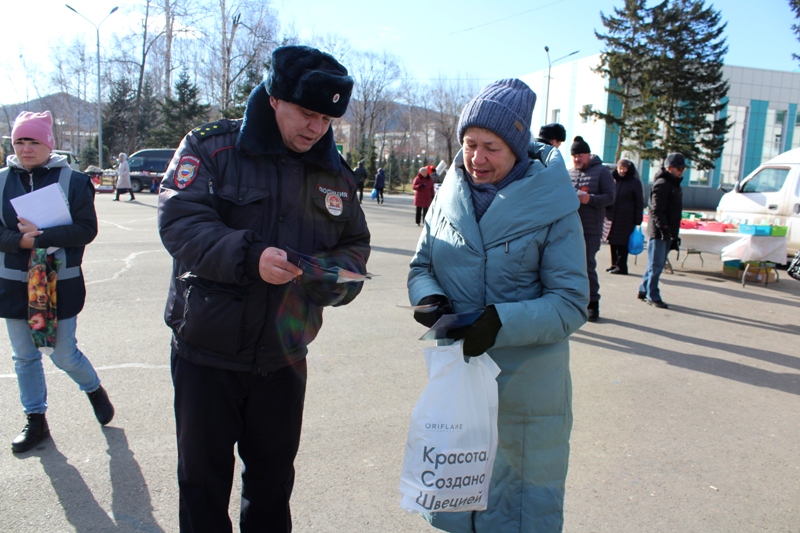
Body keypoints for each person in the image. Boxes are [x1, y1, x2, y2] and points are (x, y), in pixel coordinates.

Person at [157, 45, 370, 532]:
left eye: (326, 118)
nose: (316, 127)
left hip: (284, 356)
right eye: (307, 112)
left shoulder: (334, 173)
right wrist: (250, 256)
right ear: (274, 98)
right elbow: (181, 224)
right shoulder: (213, 148)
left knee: (273, 486)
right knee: (202, 485)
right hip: (206, 355)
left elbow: (355, 244)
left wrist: (334, 279)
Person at [408, 78, 588, 532]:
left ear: (518, 147)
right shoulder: (448, 194)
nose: (476, 158)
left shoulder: (554, 204)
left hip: (527, 387)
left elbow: (570, 304)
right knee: (456, 497)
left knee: (516, 511)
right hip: (459, 378)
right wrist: (427, 295)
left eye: (491, 146)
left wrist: (498, 322)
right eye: (470, 143)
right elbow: (421, 263)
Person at [0, 110, 114, 454]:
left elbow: (86, 229)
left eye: (33, 141)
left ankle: (93, 388)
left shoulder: (75, 182)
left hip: (59, 286)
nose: (25, 148)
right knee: (24, 357)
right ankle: (36, 420)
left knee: (64, 354)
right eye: (19, 141)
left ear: (49, 143)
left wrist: (41, 236)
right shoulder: (1, 180)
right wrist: (19, 242)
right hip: (14, 286)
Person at [568, 135, 615, 322]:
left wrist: (590, 199)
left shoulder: (602, 172)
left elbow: (611, 197)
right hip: (570, 228)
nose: (577, 159)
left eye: (580, 155)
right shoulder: (569, 173)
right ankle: (574, 302)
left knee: (587, 266)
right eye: (574, 156)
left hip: (591, 229)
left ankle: (593, 304)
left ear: (588, 155)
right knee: (569, 267)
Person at [639, 152, 685, 308]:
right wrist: (664, 228)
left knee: (654, 263)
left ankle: (644, 289)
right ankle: (652, 295)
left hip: (667, 231)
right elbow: (656, 210)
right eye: (678, 168)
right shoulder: (663, 184)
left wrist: (672, 233)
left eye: (682, 169)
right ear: (669, 167)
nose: (681, 171)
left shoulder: (674, 185)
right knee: (656, 265)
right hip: (659, 231)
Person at [606, 159, 644, 275]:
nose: (622, 171)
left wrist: (638, 219)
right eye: (620, 168)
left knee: (623, 243)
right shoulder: (613, 181)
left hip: (627, 218)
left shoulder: (634, 183)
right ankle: (613, 264)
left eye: (624, 168)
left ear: (629, 169)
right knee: (613, 241)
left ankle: (621, 266)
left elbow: (639, 202)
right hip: (613, 217)